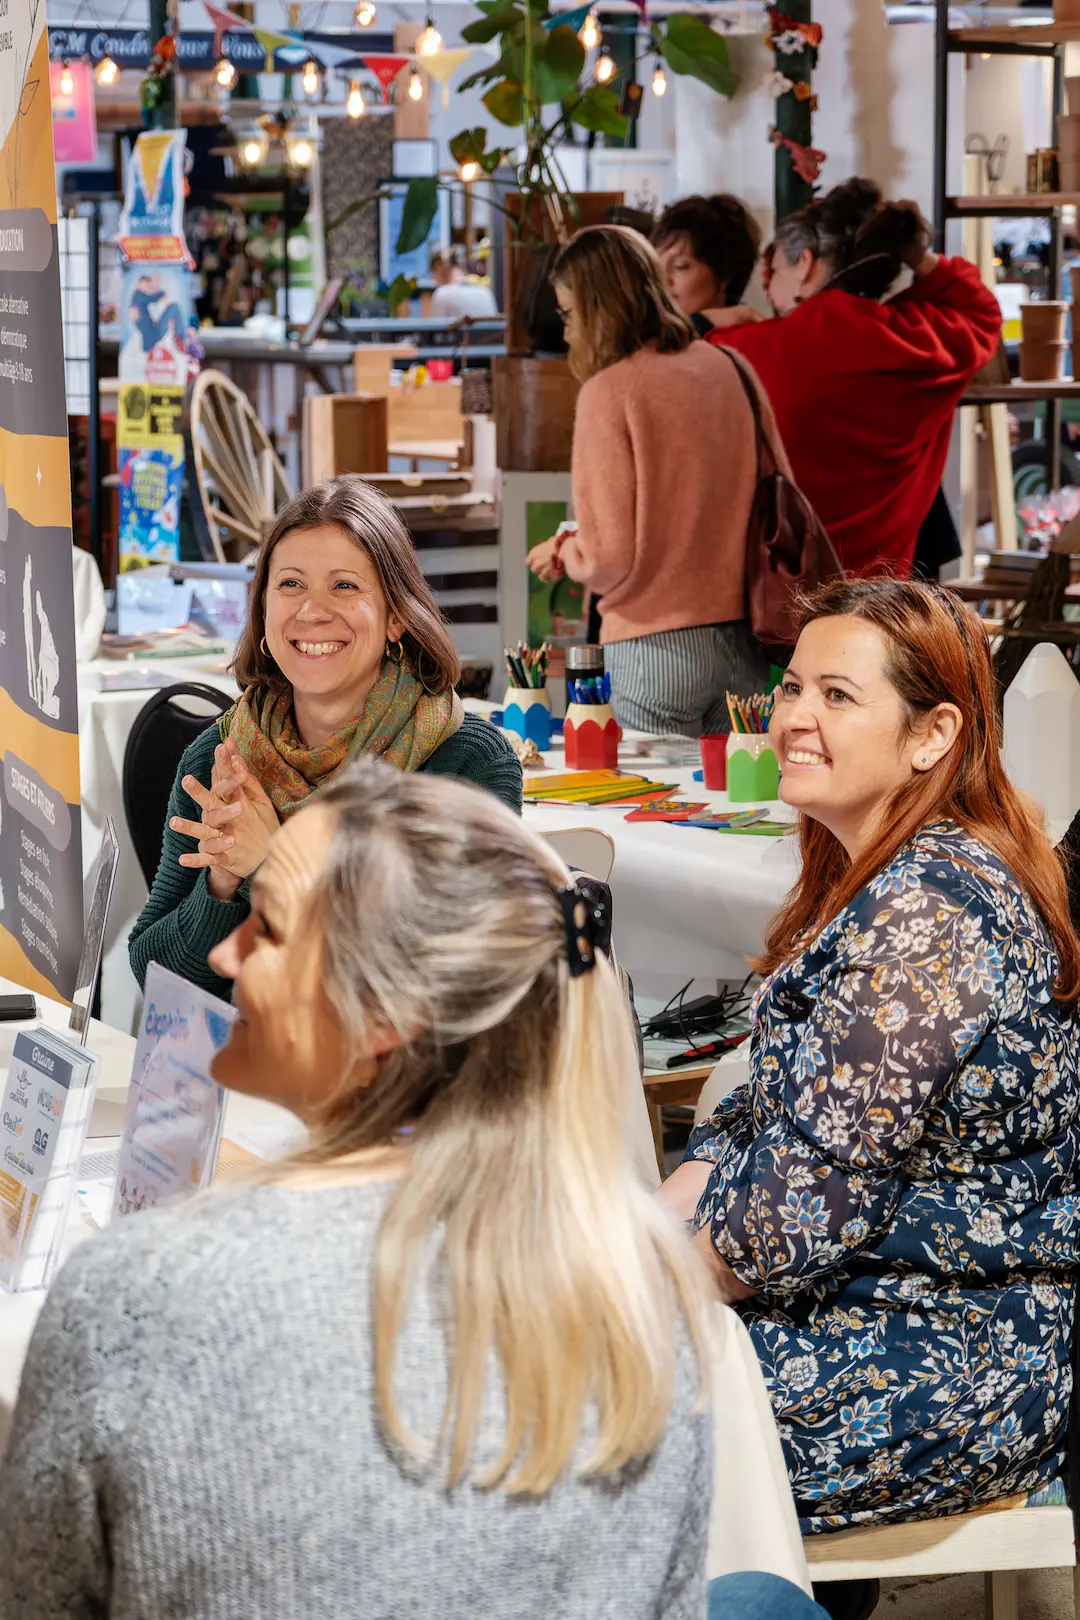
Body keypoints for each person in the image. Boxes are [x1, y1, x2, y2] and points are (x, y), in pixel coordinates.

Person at [0, 762, 821, 1620]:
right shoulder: (638, 1285)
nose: (222, 952)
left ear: (385, 1016)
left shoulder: (133, 1298)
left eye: (269, 930)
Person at [659, 580, 1080, 1601]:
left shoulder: (929, 917)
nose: (795, 716)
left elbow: (779, 1234)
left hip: (941, 1355)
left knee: (554, 1427)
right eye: (794, 686)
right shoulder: (889, 876)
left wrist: (662, 1231)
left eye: (838, 697)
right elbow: (760, 1106)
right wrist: (697, 1181)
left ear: (934, 735)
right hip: (862, 1303)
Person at [129, 476, 521, 999]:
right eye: (290, 584)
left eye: (345, 586)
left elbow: (447, 974)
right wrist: (220, 884)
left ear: (396, 616)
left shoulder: (465, 763)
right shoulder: (220, 757)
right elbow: (154, 976)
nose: (312, 611)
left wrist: (268, 866)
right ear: (263, 610)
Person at [527, 225, 783, 736]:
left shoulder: (609, 391)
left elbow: (608, 556)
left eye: (571, 314)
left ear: (600, 309)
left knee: (650, 812)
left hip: (654, 650)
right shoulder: (730, 365)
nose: (567, 331)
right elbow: (778, 495)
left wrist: (562, 550)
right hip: (747, 643)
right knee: (744, 813)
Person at [708, 179, 1001, 579]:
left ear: (805, 264)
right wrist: (916, 254)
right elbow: (980, 310)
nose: (769, 289)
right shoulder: (915, 344)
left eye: (773, 270)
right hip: (884, 599)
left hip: (782, 600)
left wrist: (704, 321)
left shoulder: (745, 350)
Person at [652, 193, 764, 335]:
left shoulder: (743, 342)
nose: (662, 279)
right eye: (656, 266)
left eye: (680, 267)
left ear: (725, 275)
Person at [429, 247, 499, 320]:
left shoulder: (442, 294)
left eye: (433, 274)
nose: (433, 279)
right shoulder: (486, 292)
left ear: (439, 269)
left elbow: (435, 329)